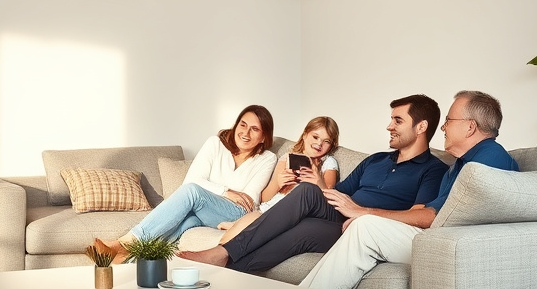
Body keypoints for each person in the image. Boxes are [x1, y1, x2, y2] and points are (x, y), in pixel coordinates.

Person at [179, 94, 448, 273]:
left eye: (397, 120)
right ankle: (222, 255)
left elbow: (418, 216)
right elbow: (336, 194)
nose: (389, 126)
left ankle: (223, 267)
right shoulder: (376, 160)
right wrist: (335, 198)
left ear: (421, 127)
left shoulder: (434, 169)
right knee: (307, 191)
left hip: (359, 229)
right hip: (338, 213)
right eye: (391, 119)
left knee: (300, 232)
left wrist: (363, 214)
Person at [300, 90, 520, 289]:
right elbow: (430, 211)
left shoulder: (491, 156)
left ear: (470, 127)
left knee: (365, 226)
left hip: (454, 246)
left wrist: (365, 212)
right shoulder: (459, 165)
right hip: (437, 238)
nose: (443, 128)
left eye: (449, 121)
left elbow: (433, 216)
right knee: (363, 225)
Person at [99, 105, 278, 261]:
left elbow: (249, 199)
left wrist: (214, 194)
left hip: (237, 215)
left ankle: (128, 242)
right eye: (243, 125)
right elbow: (192, 179)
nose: (245, 133)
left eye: (254, 129)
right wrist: (226, 191)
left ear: (263, 137)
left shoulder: (267, 159)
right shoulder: (215, 144)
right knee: (185, 221)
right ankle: (133, 259)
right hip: (207, 212)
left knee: (192, 192)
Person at [217, 116, 341, 244]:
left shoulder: (328, 162)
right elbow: (264, 198)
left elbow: (330, 193)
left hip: (289, 215)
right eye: (315, 137)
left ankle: (239, 229)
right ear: (305, 135)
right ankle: (223, 246)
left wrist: (318, 180)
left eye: (326, 141)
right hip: (268, 208)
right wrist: (278, 183)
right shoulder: (287, 157)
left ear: (331, 145)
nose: (319, 143)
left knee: (255, 221)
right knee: (253, 218)